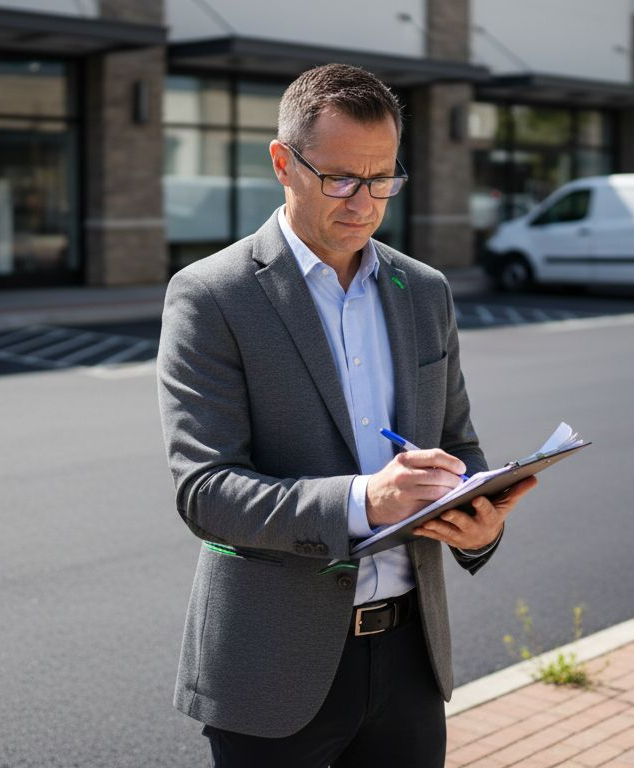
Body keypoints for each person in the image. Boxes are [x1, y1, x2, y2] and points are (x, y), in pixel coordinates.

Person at [156, 63, 537, 767]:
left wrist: (478, 518)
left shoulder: (424, 291)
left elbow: (458, 445)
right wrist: (368, 500)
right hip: (271, 668)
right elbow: (205, 493)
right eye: (341, 179)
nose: (364, 202)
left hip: (410, 662)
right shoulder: (212, 296)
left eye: (382, 177)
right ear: (282, 162)